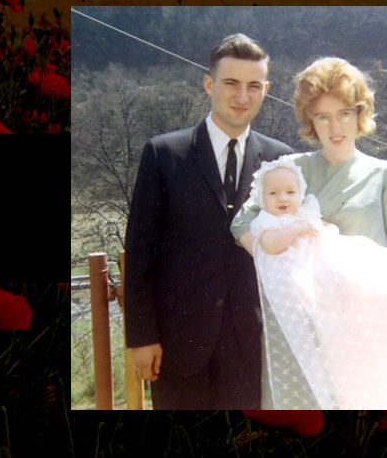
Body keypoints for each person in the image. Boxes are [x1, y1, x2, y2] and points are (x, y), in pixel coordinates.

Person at [231, 56, 387, 409]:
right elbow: (242, 222)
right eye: (323, 116)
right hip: (304, 332)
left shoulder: (383, 174)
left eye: (344, 113)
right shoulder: (291, 171)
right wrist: (270, 252)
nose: (335, 127)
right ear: (310, 121)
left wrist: (351, 280)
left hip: (364, 329)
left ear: (359, 114)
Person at [123, 33, 293, 409]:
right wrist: (141, 337)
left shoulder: (281, 161)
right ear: (209, 84)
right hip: (177, 346)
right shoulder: (165, 154)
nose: (242, 96)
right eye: (231, 83)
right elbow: (139, 254)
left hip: (253, 346)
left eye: (253, 86)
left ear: (265, 90)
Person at [247, 156, 387, 409]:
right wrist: (295, 229)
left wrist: (323, 229)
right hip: (295, 282)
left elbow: (322, 232)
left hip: (322, 276)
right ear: (262, 199)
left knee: (360, 253)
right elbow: (270, 245)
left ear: (301, 193)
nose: (282, 198)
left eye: (290, 192)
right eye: (273, 193)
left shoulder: (306, 212)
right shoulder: (268, 222)